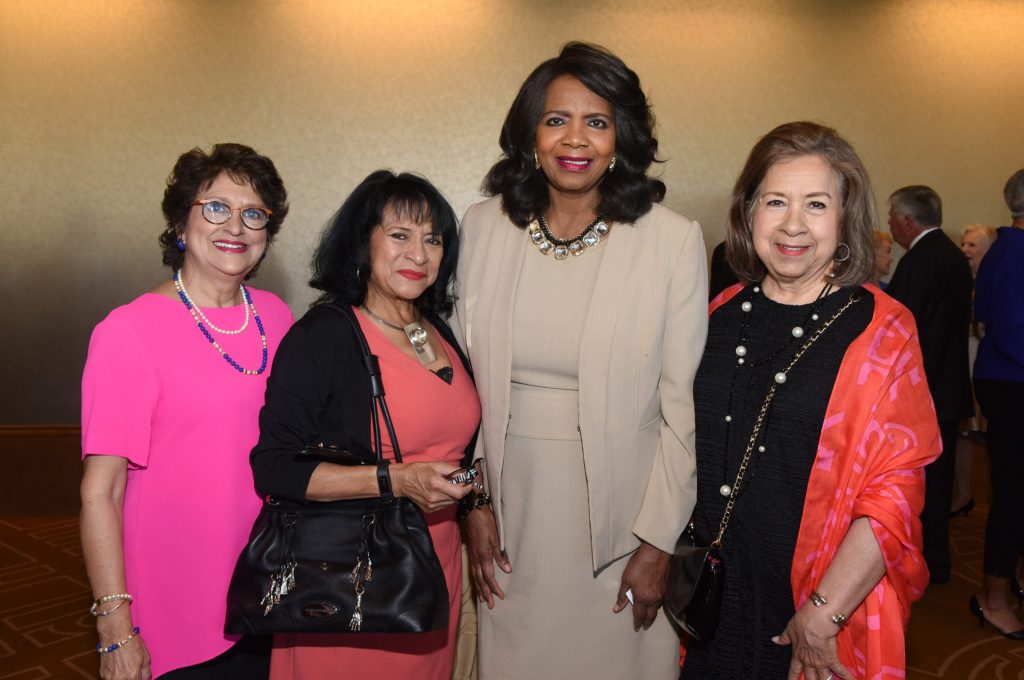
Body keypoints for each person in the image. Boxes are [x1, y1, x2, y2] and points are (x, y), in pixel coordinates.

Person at [454, 42, 707, 679]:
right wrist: (472, 503)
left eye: (597, 122)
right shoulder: (482, 227)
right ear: (530, 134)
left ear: (621, 136)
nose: (576, 139)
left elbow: (681, 409)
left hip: (623, 521)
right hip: (511, 514)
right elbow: (458, 389)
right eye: (556, 119)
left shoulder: (670, 241)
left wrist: (658, 543)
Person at [681, 122, 939, 679]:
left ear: (845, 219)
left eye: (816, 204)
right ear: (749, 213)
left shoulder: (882, 331)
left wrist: (823, 615)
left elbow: (894, 493)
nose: (792, 224)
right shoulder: (716, 314)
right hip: (707, 596)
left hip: (816, 606)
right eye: (775, 201)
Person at [249, 170, 481, 678]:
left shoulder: (438, 329)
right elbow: (274, 468)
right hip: (352, 578)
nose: (418, 255)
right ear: (363, 242)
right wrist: (397, 480)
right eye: (399, 235)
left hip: (433, 566)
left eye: (432, 239)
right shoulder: (325, 337)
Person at [80, 143, 293, 679]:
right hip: (175, 605)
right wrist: (114, 627)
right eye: (215, 207)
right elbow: (100, 491)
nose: (236, 226)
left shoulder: (277, 315)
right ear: (180, 220)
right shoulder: (128, 332)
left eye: (254, 213)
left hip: (270, 586)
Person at [885, 185, 974, 584]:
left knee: (918, 484)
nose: (889, 224)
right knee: (939, 482)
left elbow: (898, 329)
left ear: (907, 220)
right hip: (950, 385)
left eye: (891, 217)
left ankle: (918, 562)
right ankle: (937, 559)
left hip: (924, 391)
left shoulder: (918, 261)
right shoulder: (954, 256)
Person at [970, 168, 1024, 639]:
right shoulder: (1013, 254)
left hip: (1007, 380)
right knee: (1013, 497)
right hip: (1012, 385)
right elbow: (1009, 333)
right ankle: (993, 598)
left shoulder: (1006, 249)